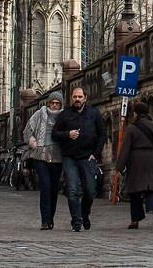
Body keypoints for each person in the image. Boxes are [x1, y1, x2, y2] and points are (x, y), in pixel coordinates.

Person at [51, 86, 106, 232]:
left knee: (90, 190)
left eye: (80, 97)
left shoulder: (94, 113)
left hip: (87, 157)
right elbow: (55, 134)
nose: (77, 99)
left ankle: (84, 213)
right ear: (71, 98)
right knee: (73, 190)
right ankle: (76, 220)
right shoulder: (65, 114)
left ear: (85, 98)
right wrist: (67, 134)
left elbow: (102, 134)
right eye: (75, 97)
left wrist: (96, 153)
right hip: (70, 157)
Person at [115, 100, 153, 229]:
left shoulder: (132, 128)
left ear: (136, 113)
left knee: (135, 191)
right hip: (151, 159)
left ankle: (135, 220)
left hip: (136, 160)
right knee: (151, 189)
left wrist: (119, 167)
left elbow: (125, 148)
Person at [23, 92, 65, 229]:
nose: (54, 105)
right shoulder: (40, 114)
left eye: (57, 103)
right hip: (41, 155)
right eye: (52, 103)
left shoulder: (64, 117)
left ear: (60, 104)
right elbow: (28, 130)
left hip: (58, 156)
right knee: (45, 187)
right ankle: (44, 220)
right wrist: (32, 142)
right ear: (48, 103)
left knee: (53, 188)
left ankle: (50, 217)